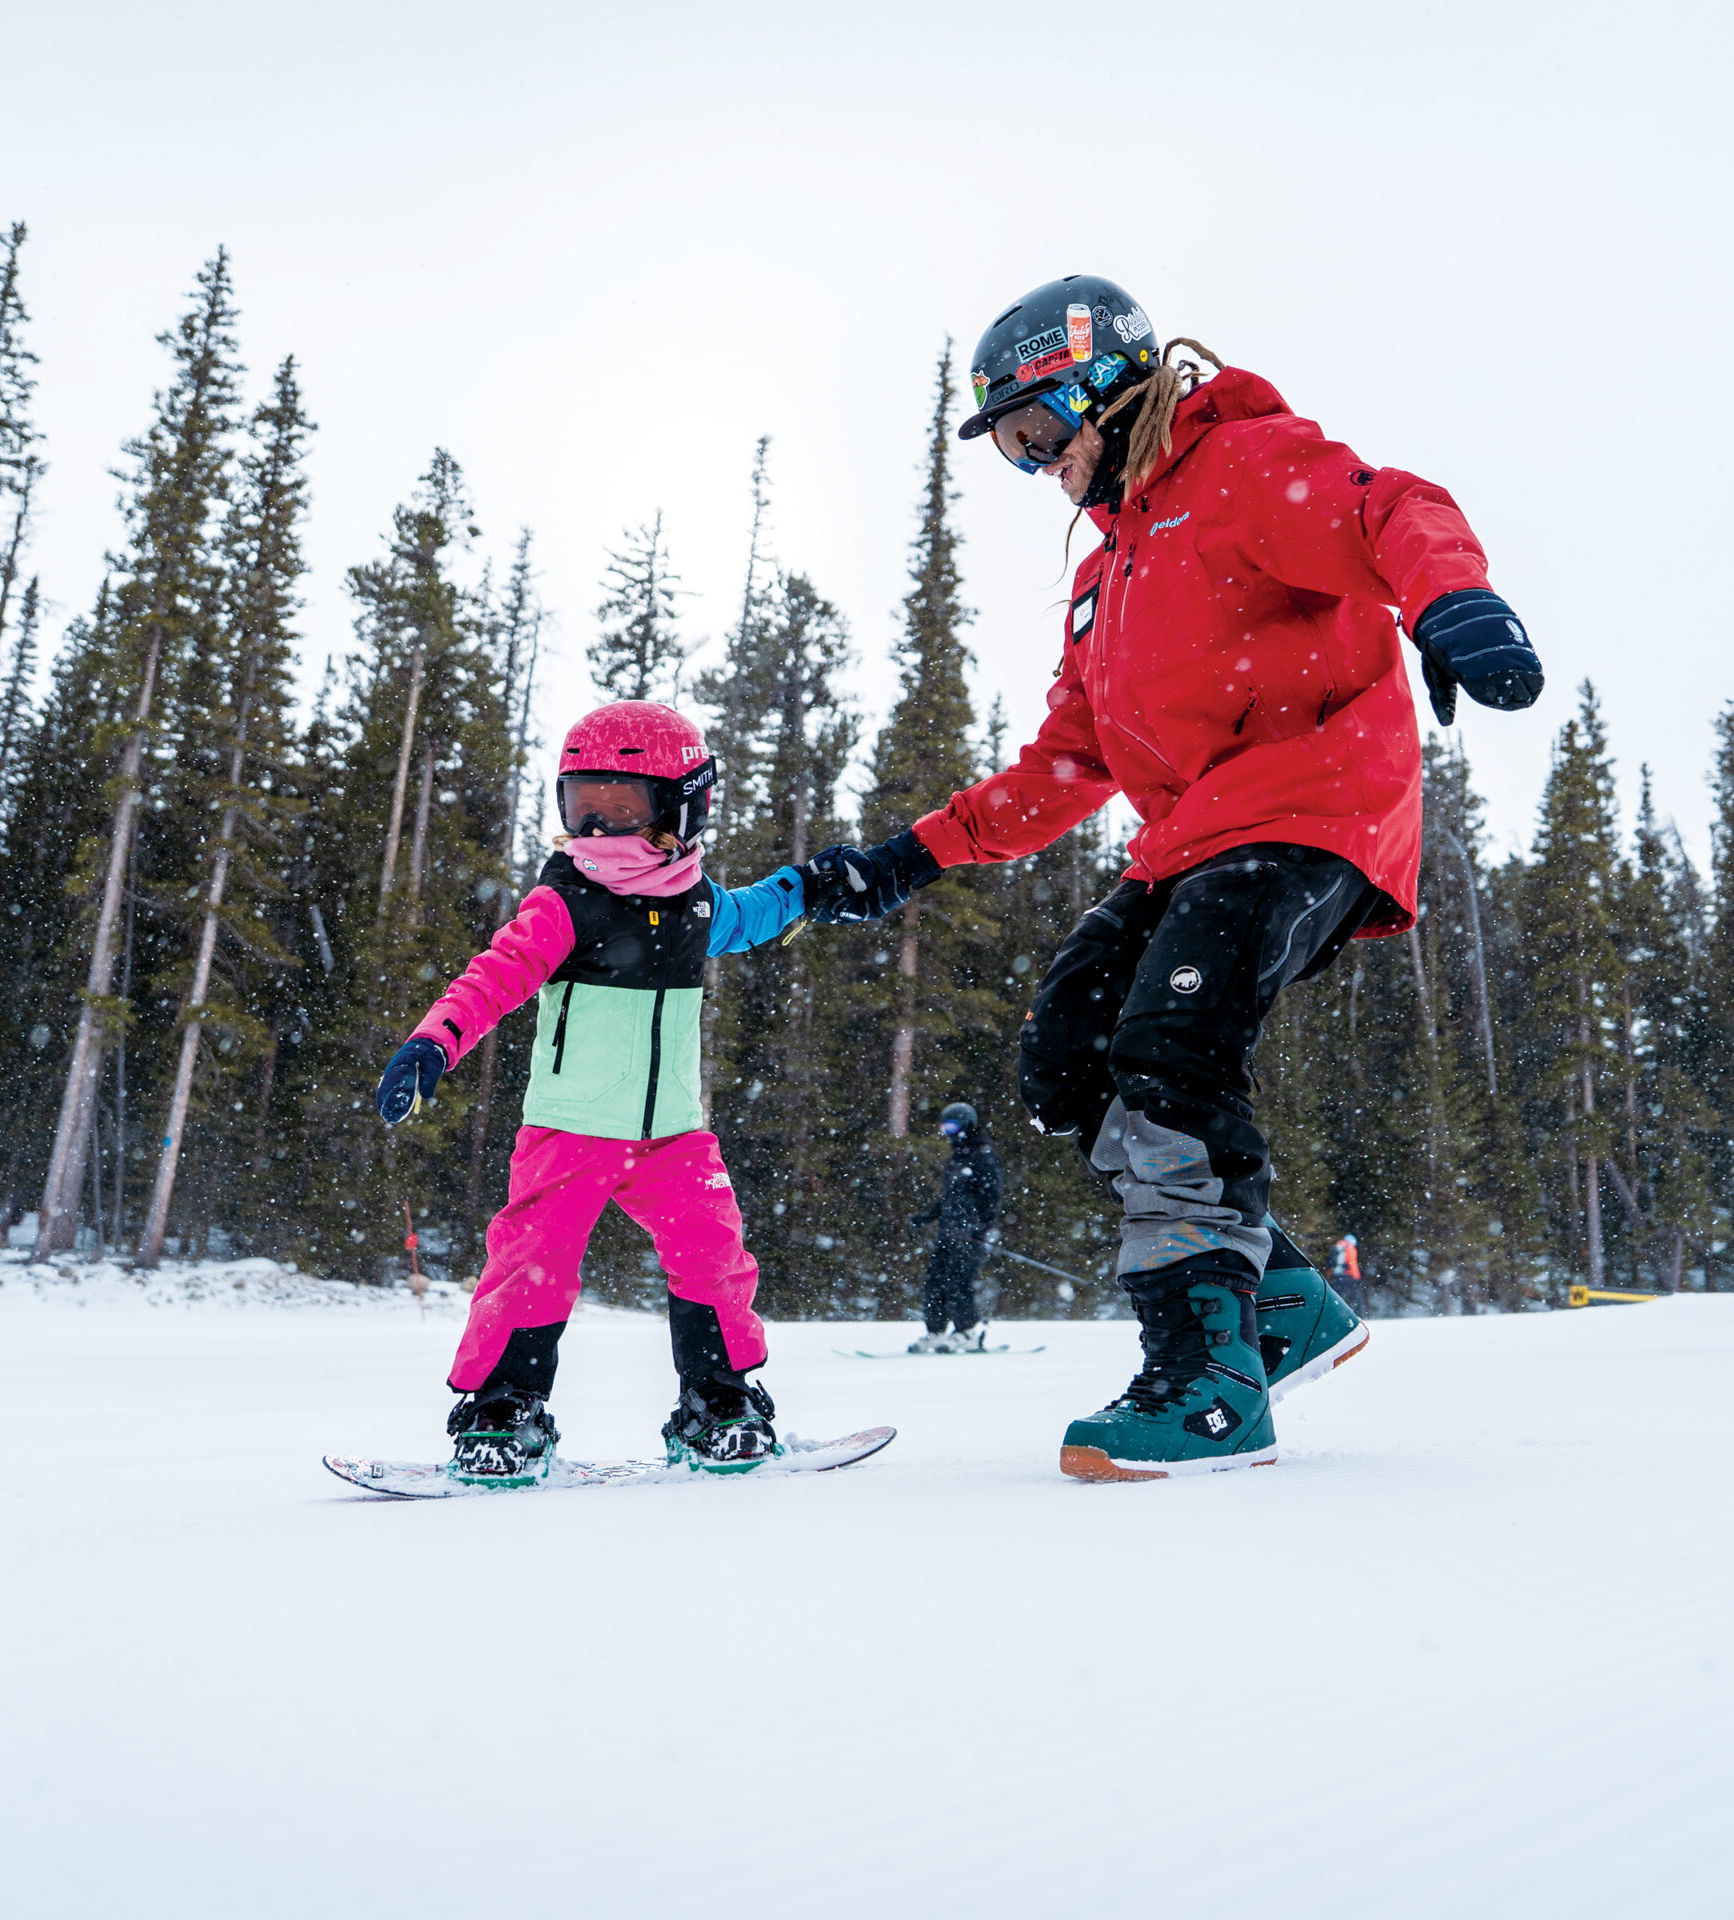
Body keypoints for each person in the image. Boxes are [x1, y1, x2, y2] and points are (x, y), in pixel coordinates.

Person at [807, 275, 1541, 1481]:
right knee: (1066, 1052)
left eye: (1040, 434)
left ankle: (1205, 1382)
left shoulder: (1242, 467)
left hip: (1312, 806)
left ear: (1109, 388)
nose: (1038, 467)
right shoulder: (1106, 577)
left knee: (1168, 1050)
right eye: (1010, 453)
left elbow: (1392, 508)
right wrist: (906, 858)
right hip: (1192, 837)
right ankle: (1281, 1306)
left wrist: (1453, 601)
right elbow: (1067, 762)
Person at [375, 700, 833, 1486]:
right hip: (571, 1128)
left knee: (714, 1257)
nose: (597, 830)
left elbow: (759, 914)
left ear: (682, 808)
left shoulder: (697, 906)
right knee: (532, 1264)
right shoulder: (565, 902)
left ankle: (720, 1402)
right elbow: (496, 975)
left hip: (675, 1135)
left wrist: (812, 885)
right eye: (582, 807)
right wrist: (434, 1039)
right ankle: (502, 1410)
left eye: (621, 808)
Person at [906, 1101, 1003, 1352]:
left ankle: (967, 1331)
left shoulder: (983, 1157)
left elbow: (991, 1199)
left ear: (966, 1126)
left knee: (958, 1283)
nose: (947, 1134)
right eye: (944, 1129)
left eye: (952, 1128)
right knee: (935, 1282)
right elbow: (949, 1198)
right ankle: (936, 1331)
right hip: (948, 1233)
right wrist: (927, 1216)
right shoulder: (956, 1160)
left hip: (971, 1236)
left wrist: (978, 1230)